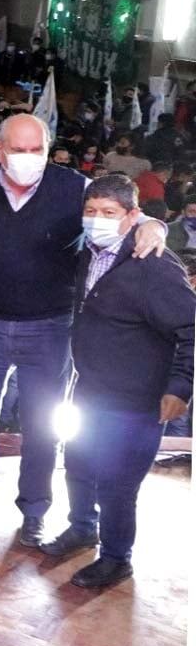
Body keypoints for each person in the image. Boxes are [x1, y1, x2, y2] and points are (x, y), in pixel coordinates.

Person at [0, 114, 168, 545]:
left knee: (42, 424)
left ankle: (34, 509)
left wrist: (155, 225)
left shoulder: (73, 187)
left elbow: (122, 213)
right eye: (18, 150)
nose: (29, 159)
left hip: (50, 325)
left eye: (38, 151)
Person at [39, 175, 194, 588]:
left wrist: (180, 386)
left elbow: (191, 325)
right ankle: (83, 526)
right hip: (90, 389)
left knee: (117, 484)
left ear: (130, 217)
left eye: (109, 213)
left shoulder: (153, 265)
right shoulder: (91, 253)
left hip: (136, 401)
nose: (97, 220)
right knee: (78, 464)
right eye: (91, 212)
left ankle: (116, 557)